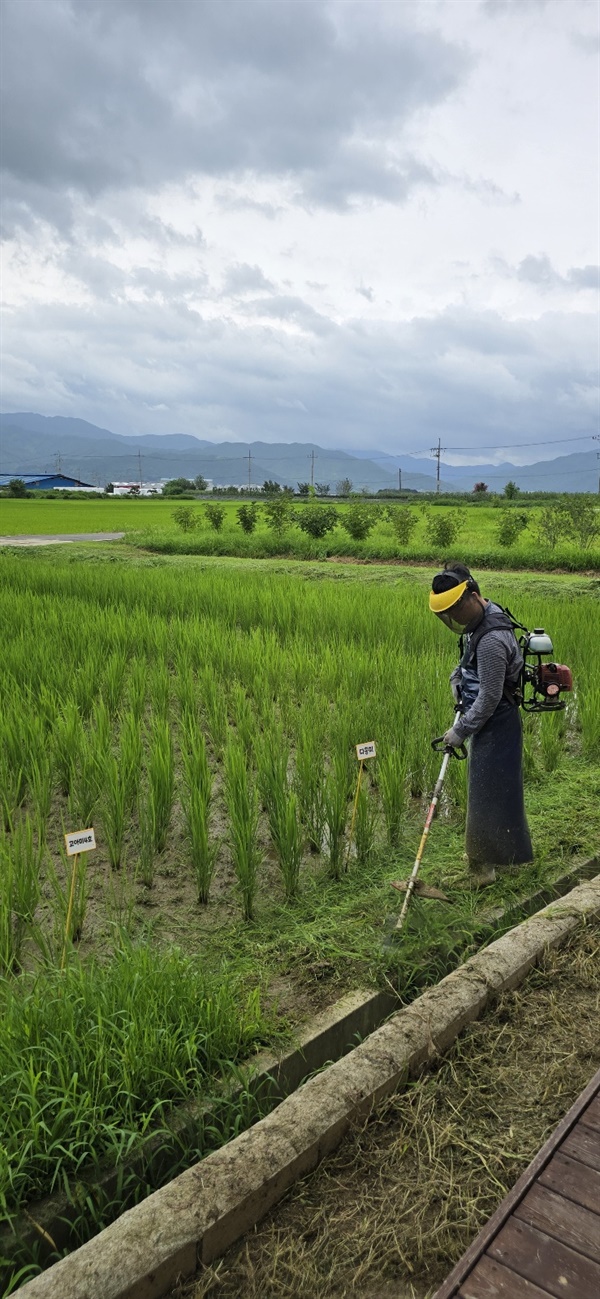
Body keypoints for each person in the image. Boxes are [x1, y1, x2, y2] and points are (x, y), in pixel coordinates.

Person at [429, 563, 533, 886]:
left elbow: (488, 697)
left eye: (457, 609)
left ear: (473, 596)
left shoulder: (490, 639)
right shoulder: (482, 618)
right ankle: (504, 856)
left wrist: (460, 730)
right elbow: (469, 667)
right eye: (449, 613)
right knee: (499, 793)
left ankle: (482, 871)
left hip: (496, 722)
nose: (455, 619)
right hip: (491, 718)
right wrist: (457, 678)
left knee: (485, 795)